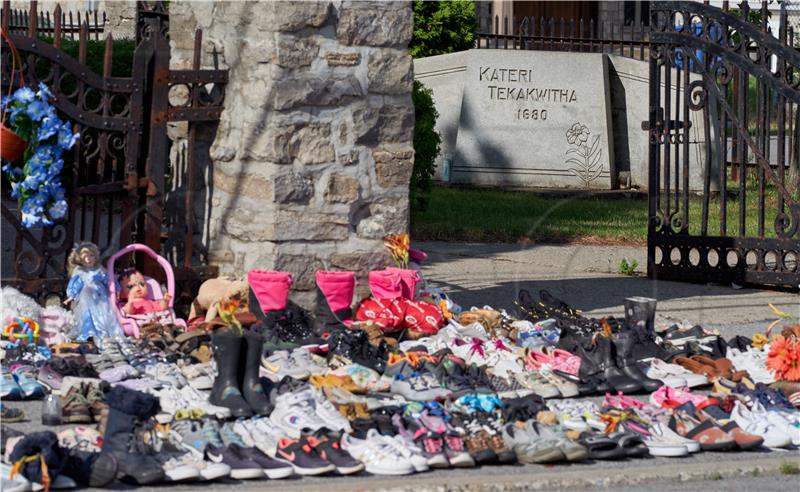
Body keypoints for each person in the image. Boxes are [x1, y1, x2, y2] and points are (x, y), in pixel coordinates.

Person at [65, 242, 123, 341]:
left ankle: (105, 332)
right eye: (85, 256)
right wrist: (71, 296)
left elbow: (108, 280)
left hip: (101, 295)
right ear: (80, 258)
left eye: (91, 256)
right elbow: (76, 285)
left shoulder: (99, 270)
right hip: (86, 295)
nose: (88, 259)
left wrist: (116, 289)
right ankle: (89, 331)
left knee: (103, 311)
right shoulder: (80, 271)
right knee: (87, 312)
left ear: (95, 257)